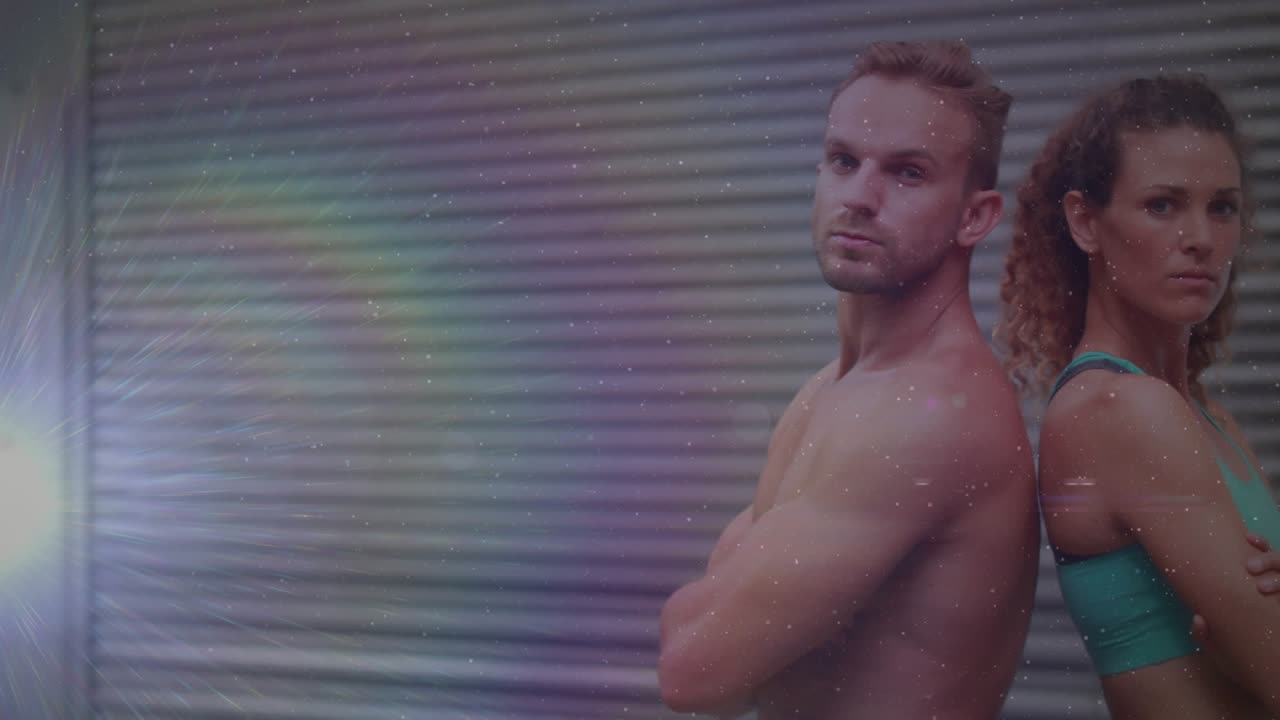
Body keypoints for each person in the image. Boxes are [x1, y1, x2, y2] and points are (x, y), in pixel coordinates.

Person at [657, 41, 1039, 719]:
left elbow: (694, 671)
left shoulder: (926, 414)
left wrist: (707, 601)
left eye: (908, 173)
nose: (860, 197)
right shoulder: (834, 389)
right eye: (843, 161)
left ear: (974, 216)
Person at [997, 74, 1280, 718]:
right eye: (1162, 205)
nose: (1201, 238)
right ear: (1084, 222)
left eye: (1223, 207)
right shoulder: (1120, 410)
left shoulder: (1209, 419)